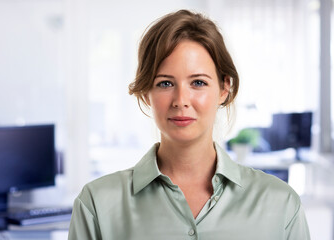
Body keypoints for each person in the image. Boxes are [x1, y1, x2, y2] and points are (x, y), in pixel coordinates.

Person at [68, 10, 310, 240]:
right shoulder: (97, 205)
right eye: (165, 83)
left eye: (198, 82)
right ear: (145, 93)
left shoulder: (281, 205)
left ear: (224, 89)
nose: (181, 101)